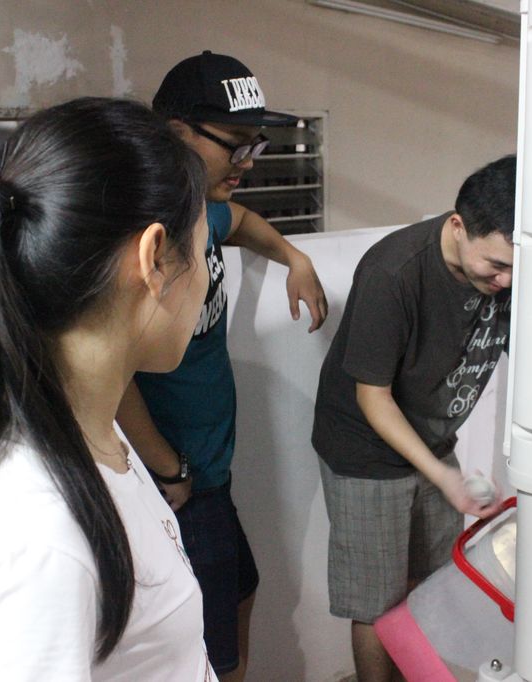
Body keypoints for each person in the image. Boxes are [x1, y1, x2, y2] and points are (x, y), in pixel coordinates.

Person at [0, 97, 215, 681]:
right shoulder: (39, 534)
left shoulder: (92, 431)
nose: (203, 279)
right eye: (201, 253)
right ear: (154, 258)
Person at [115, 51, 328, 681]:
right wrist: (168, 467)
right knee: (209, 652)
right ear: (177, 132)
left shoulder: (200, 211)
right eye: (235, 144)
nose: (247, 162)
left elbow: (240, 220)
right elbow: (112, 371)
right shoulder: (145, 238)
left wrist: (294, 257)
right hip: (175, 477)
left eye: (254, 146)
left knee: (240, 593)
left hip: (206, 471)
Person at [311, 155, 517, 682]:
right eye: (496, 265)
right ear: (458, 226)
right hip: (365, 452)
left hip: (432, 441)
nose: (506, 279)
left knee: (434, 587)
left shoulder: (510, 274)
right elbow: (373, 398)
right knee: (376, 603)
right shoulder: (394, 272)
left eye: (516, 267)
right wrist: (444, 476)